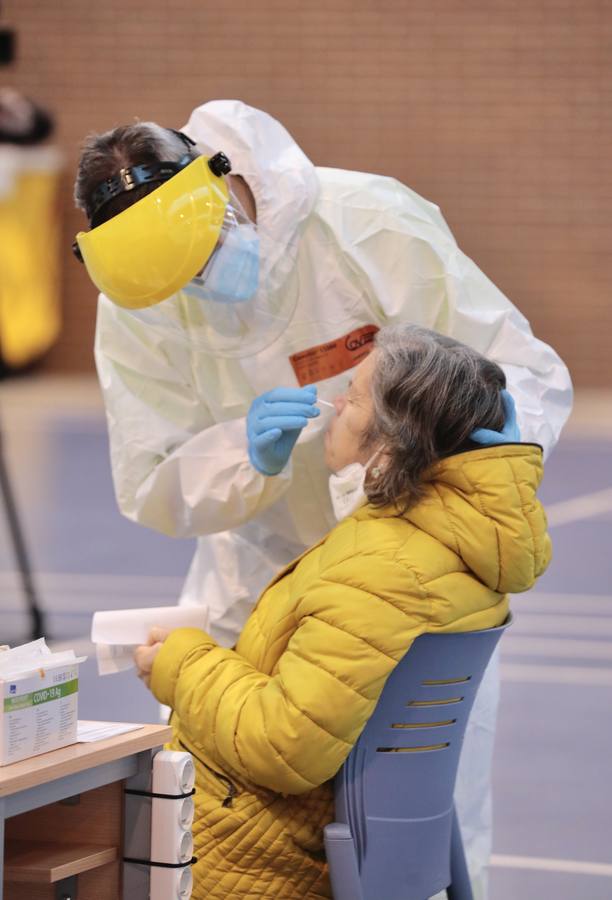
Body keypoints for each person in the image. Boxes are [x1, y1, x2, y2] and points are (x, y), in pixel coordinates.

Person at [73, 101, 571, 897]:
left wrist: (465, 473)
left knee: (410, 829)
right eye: (181, 283)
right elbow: (152, 481)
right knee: (234, 830)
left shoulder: (368, 224)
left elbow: (518, 375)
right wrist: (245, 456)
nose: (202, 288)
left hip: (408, 571)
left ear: (224, 181)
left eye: (206, 259)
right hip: (264, 581)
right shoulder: (137, 296)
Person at [134, 324, 551, 900]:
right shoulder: (453, 547)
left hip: (245, 856)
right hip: (283, 835)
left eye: (353, 398)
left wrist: (181, 662)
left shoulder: (383, 572)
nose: (334, 405)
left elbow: (285, 745)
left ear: (390, 443)